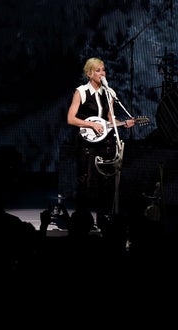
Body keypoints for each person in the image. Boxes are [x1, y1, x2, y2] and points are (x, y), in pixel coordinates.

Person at [66, 57, 135, 218]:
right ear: (89, 73)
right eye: (98, 70)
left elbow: (110, 119)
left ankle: (104, 218)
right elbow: (70, 118)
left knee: (106, 180)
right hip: (86, 142)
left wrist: (123, 123)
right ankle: (81, 217)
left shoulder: (109, 93)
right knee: (85, 179)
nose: (102, 73)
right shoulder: (81, 91)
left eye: (103, 70)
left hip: (105, 141)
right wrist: (91, 125)